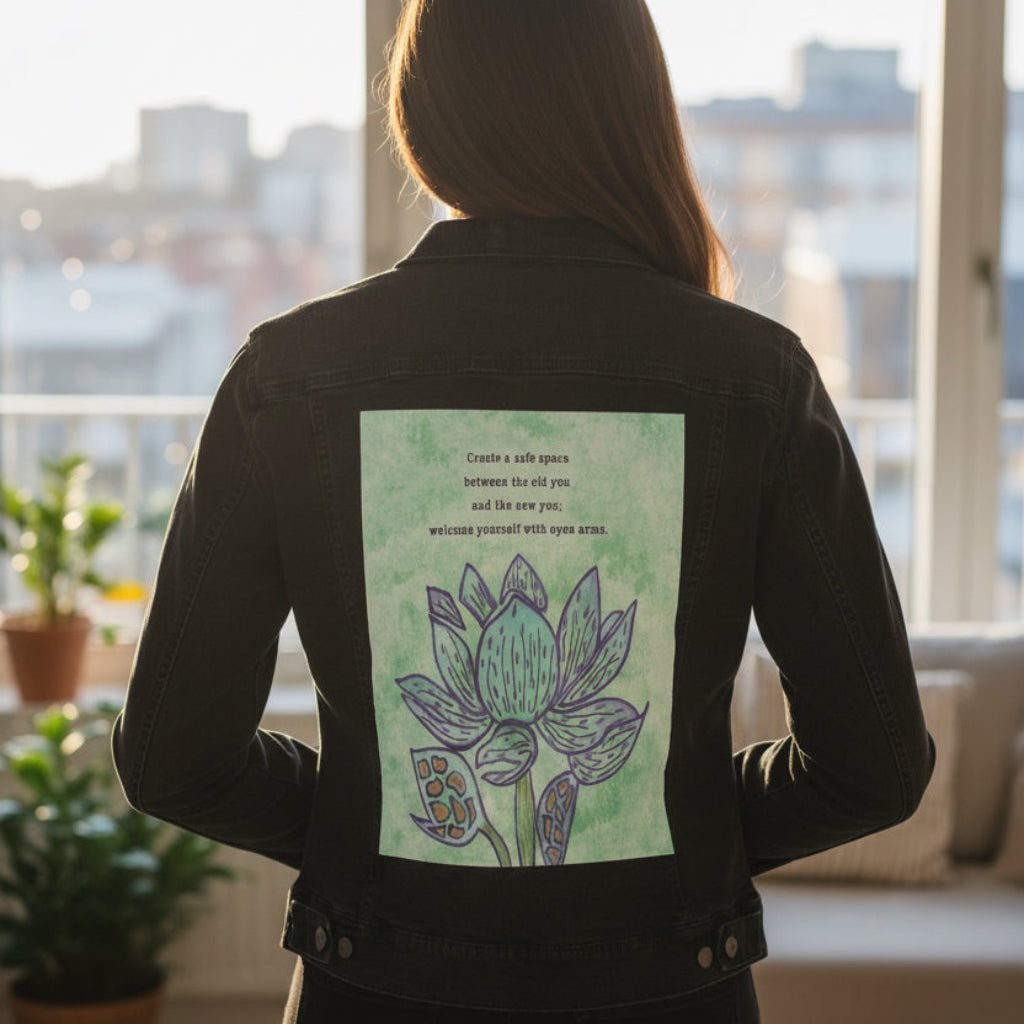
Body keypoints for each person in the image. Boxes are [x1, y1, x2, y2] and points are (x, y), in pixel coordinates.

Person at [110, 1, 937, 1021]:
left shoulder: (291, 375)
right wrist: (661, 822)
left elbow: (169, 759)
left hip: (373, 987)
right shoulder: (752, 376)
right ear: (635, 106)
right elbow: (878, 767)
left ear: (426, 111)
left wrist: (381, 819)